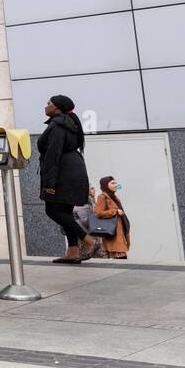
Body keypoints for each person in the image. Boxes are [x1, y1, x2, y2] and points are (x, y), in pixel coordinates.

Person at [39, 94, 95, 264]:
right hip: (73, 169)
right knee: (65, 212)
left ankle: (88, 240)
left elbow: (53, 155)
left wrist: (49, 183)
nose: (45, 106)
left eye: (48, 103)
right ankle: (73, 251)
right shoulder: (68, 123)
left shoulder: (57, 125)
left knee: (53, 210)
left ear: (56, 107)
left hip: (63, 173)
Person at [93, 175, 131, 259]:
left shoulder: (115, 197)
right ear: (106, 185)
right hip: (112, 233)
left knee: (122, 257)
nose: (116, 185)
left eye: (116, 183)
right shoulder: (102, 197)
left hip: (119, 232)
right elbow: (98, 213)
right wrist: (115, 211)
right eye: (113, 183)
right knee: (118, 259)